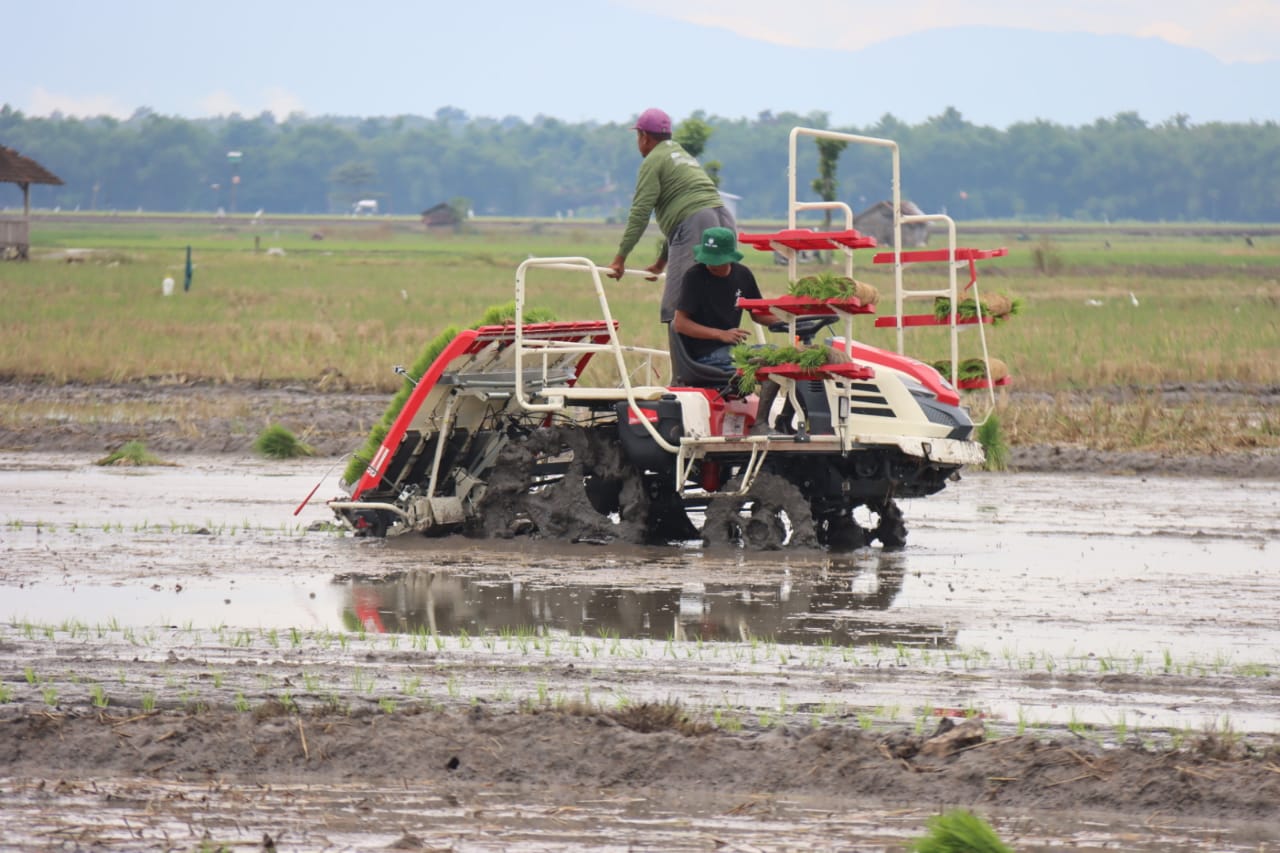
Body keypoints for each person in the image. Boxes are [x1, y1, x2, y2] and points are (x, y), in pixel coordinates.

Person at [606, 108, 736, 324]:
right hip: (723, 220)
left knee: (678, 306)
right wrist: (660, 264)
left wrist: (620, 259)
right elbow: (680, 223)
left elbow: (640, 213)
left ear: (644, 137)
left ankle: (684, 358)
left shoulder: (653, 160)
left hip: (697, 222)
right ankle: (717, 353)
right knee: (713, 296)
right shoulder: (683, 155)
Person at [673, 227, 780, 436]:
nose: (711, 264)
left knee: (777, 355)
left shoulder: (743, 275)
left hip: (730, 350)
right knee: (762, 360)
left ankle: (783, 421)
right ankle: (759, 424)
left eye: (717, 259)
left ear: (730, 256)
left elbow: (758, 314)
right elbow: (680, 324)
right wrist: (720, 334)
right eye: (708, 259)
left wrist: (786, 321)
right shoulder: (694, 277)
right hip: (704, 354)